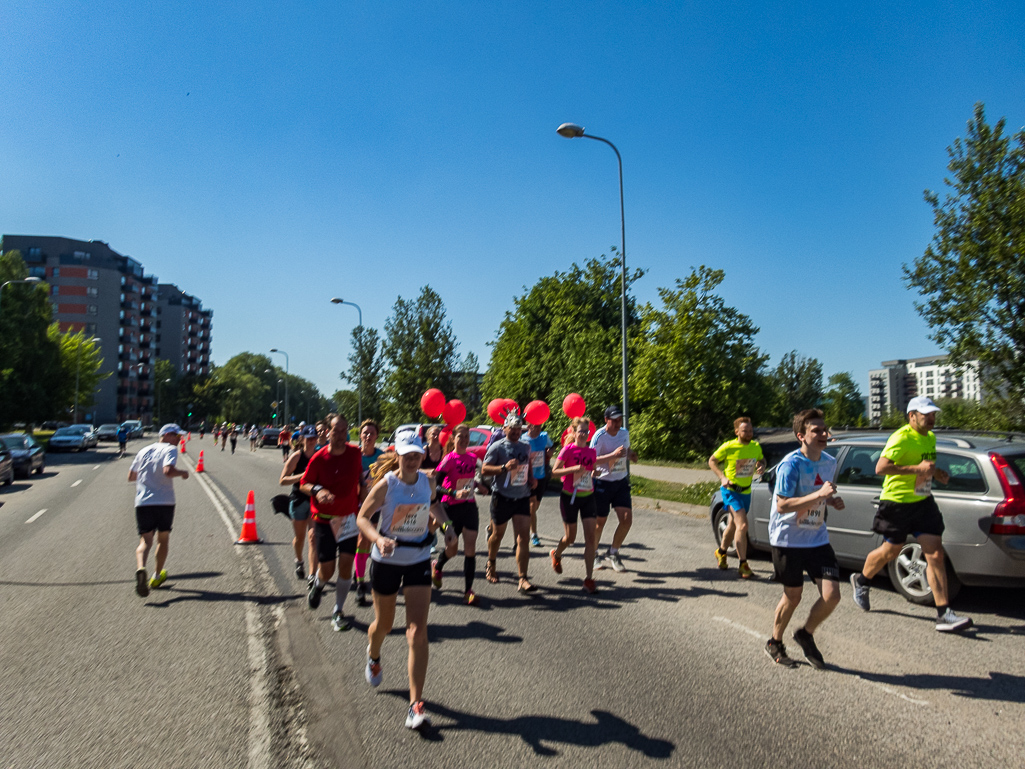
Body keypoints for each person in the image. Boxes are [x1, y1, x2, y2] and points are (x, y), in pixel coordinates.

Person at [357, 434, 457, 730]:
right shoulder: (387, 484)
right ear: (397, 454)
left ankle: (416, 705)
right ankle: (374, 655)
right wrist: (378, 538)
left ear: (422, 454)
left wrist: (448, 527)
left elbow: (436, 506)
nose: (412, 459)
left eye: (416, 454)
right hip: (386, 560)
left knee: (416, 631)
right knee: (384, 625)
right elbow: (363, 517)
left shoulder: (428, 481)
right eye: (406, 454)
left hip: (418, 560)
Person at [850, 396, 972, 633]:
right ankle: (862, 580)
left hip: (923, 501)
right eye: (926, 414)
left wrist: (937, 474)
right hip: (896, 502)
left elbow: (926, 466)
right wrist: (916, 469)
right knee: (891, 550)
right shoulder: (901, 437)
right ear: (912, 416)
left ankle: (944, 614)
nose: (931, 418)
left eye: (933, 414)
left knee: (935, 554)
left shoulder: (931, 437)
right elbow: (881, 467)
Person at [764, 410, 844, 667]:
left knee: (832, 595)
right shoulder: (791, 464)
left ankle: (805, 634)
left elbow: (823, 494)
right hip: (788, 538)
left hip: (817, 537)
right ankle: (775, 641)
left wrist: (832, 499)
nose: (823, 434)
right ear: (801, 436)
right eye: (816, 431)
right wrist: (820, 494)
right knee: (793, 595)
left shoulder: (829, 461)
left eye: (824, 429)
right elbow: (782, 505)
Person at [301, 415, 364, 631]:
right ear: (328, 432)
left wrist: (365, 498)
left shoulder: (355, 453)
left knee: (346, 565)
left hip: (347, 519)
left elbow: (360, 480)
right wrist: (318, 491)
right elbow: (304, 484)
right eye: (336, 431)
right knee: (327, 571)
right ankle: (318, 585)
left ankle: (338, 610)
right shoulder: (319, 458)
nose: (340, 435)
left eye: (344, 431)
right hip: (324, 521)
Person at [128, 423, 189, 597]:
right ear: (168, 435)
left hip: (143, 502)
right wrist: (183, 473)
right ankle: (156, 576)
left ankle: (141, 568)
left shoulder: (143, 451)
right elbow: (168, 471)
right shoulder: (169, 449)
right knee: (163, 539)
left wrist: (147, 479)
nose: (179, 440)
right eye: (177, 437)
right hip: (164, 501)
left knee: (145, 541)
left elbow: (131, 476)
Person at [482, 413, 537, 593]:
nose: (515, 432)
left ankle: (523, 578)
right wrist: (504, 468)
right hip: (502, 497)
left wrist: (531, 479)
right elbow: (484, 470)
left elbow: (527, 465)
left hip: (521, 496)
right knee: (497, 535)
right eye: (511, 429)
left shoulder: (526, 446)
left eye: (517, 429)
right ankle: (491, 562)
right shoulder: (497, 447)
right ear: (505, 428)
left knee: (524, 537)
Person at [710, 416, 766, 579]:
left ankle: (721, 552)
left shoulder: (755, 446)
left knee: (733, 526)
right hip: (731, 491)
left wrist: (761, 465)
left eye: (750, 430)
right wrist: (722, 477)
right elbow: (712, 461)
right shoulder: (729, 446)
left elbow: (762, 459)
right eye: (745, 431)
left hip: (746, 491)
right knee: (742, 525)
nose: (749, 433)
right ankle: (743, 564)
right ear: (737, 432)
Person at [432, 424, 482, 604]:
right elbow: (435, 488)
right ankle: (438, 565)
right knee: (452, 550)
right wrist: (453, 493)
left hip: (469, 507)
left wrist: (479, 486)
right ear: (453, 438)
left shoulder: (473, 458)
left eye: (467, 436)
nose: (464, 439)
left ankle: (468, 590)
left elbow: (471, 481)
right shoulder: (448, 460)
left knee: (470, 548)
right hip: (449, 509)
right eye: (460, 436)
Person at [550, 417, 599, 593]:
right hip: (569, 496)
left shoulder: (591, 452)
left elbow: (591, 470)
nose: (584, 434)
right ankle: (556, 554)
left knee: (590, 539)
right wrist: (572, 470)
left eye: (586, 431)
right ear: (574, 432)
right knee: (570, 538)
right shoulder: (567, 450)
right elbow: (554, 473)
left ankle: (588, 578)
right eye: (581, 431)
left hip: (588, 496)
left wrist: (595, 472)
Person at [590, 406, 639, 573]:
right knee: (599, 522)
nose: (618, 423)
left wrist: (630, 454)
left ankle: (613, 552)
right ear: (606, 420)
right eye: (614, 419)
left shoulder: (624, 433)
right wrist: (613, 455)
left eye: (620, 419)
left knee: (627, 520)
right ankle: (594, 553)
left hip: (620, 481)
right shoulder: (599, 436)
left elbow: (625, 451)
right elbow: (591, 460)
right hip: (602, 482)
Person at [280, 425, 320, 581]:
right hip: (298, 500)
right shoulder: (297, 457)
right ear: (302, 439)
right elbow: (282, 480)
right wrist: (303, 475)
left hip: (314, 502)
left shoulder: (319, 456)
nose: (311, 442)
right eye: (309, 439)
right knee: (300, 537)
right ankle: (299, 560)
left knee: (313, 537)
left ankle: (313, 574)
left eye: (314, 439)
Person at [354, 419, 385, 605]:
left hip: (373, 505)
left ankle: (360, 582)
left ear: (376, 436)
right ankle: (359, 578)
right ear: (360, 435)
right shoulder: (354, 455)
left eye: (372, 433)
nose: (368, 436)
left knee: (366, 540)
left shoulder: (381, 457)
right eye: (365, 433)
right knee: (359, 541)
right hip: (353, 505)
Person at [525, 420, 554, 547]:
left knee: (535, 506)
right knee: (532, 506)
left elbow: (552, 447)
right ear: (529, 426)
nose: (538, 429)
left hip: (542, 476)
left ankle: (526, 521)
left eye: (540, 426)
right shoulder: (523, 439)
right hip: (528, 477)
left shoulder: (544, 436)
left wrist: (550, 452)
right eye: (536, 426)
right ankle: (534, 534)